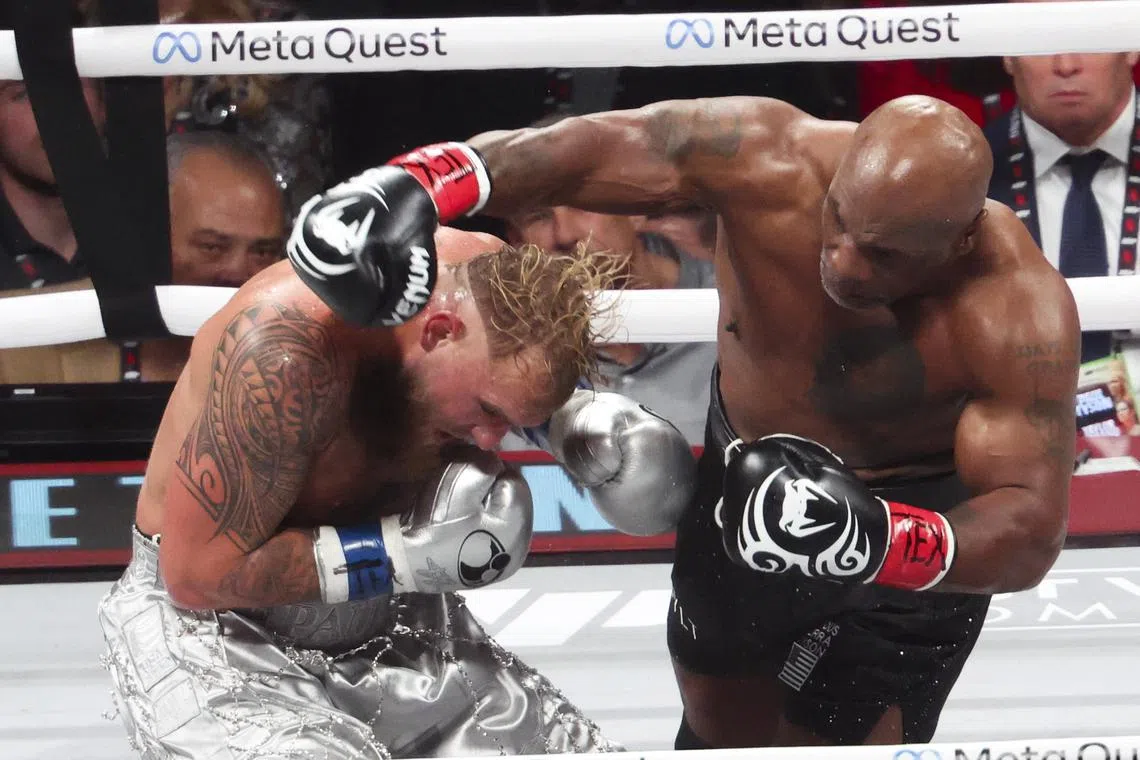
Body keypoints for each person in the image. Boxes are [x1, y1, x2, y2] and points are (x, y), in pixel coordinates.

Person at [312, 96, 1081, 748]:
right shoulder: (767, 158)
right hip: (737, 472)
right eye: (837, 222)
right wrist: (417, 183)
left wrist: (874, 539)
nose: (842, 263)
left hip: (910, 521)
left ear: (959, 241)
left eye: (882, 255)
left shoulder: (1014, 310)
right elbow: (591, 149)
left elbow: (1029, 530)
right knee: (715, 739)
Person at [97, 187, 696, 758]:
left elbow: (509, 374)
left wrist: (573, 427)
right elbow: (197, 576)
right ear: (438, 331)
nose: (492, 442)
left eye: (511, 424)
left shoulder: (491, 280)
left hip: (391, 619)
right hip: (222, 635)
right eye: (488, 414)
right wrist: (401, 556)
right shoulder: (284, 351)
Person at [985, 2, 1138, 364]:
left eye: (1086, 36)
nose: (1066, 65)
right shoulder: (964, 181)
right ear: (1008, 53)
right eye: (1041, 38)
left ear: (1132, 41)